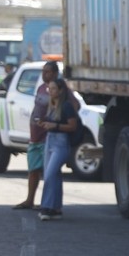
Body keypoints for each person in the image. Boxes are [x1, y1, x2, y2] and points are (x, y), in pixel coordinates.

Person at [13, 60, 60, 210]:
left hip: (47, 137)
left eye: (48, 72)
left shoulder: (58, 90)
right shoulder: (40, 88)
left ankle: (49, 203)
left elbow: (70, 106)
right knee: (33, 170)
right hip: (35, 136)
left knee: (49, 172)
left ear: (55, 73)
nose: (44, 74)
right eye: (43, 71)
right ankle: (29, 200)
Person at [37, 77, 79, 221]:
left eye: (54, 88)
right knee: (54, 175)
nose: (50, 91)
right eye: (50, 88)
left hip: (61, 143)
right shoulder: (52, 105)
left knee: (49, 174)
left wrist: (55, 126)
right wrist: (45, 124)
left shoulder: (66, 106)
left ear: (61, 91)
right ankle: (56, 208)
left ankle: (46, 207)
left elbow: (72, 126)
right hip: (50, 140)